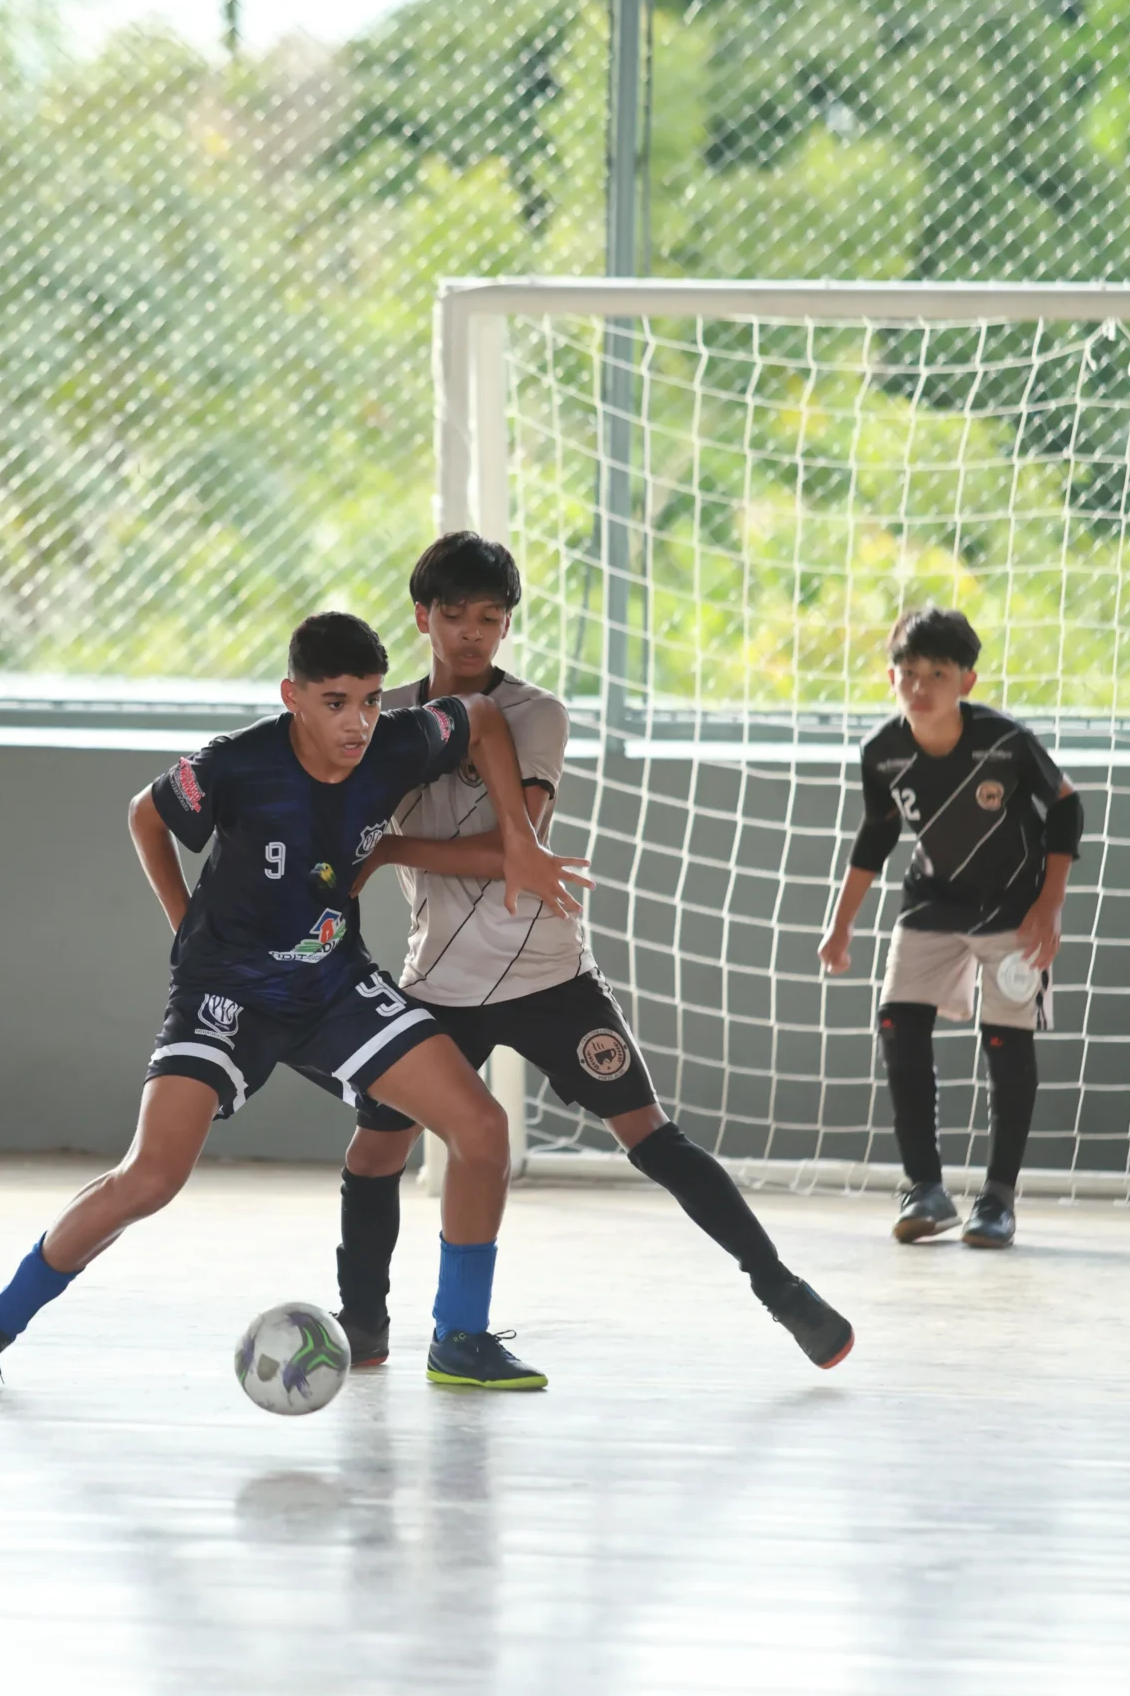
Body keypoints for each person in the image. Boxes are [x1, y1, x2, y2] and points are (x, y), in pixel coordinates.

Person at [0, 608, 584, 1394]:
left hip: (331, 982)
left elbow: (477, 716)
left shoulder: (398, 741)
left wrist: (518, 838)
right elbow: (145, 814)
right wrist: (184, 930)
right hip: (225, 990)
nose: (358, 721)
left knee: (480, 1128)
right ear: (292, 696)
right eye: (335, 701)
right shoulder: (239, 764)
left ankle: (460, 1340)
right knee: (153, 1176)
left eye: (371, 699)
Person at [334, 532, 856, 1372]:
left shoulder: (534, 713)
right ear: (422, 616)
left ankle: (780, 1288)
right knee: (376, 1148)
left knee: (649, 1134)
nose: (472, 633)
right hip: (433, 981)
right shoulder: (380, 713)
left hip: (546, 972)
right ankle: (364, 1323)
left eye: (491, 619)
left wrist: (391, 851)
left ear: (507, 626)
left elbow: (522, 851)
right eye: (456, 617)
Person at [819, 605, 1083, 1247]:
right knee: (897, 1022)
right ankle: (925, 1189)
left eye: (937, 672)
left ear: (965, 681)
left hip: (1013, 912)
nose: (920, 685)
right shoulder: (881, 753)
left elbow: (1067, 808)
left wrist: (1049, 903)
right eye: (908, 672)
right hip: (932, 902)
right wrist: (841, 925)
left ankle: (997, 1199)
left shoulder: (1005, 742)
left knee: (1006, 1041)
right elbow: (876, 836)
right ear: (891, 678)